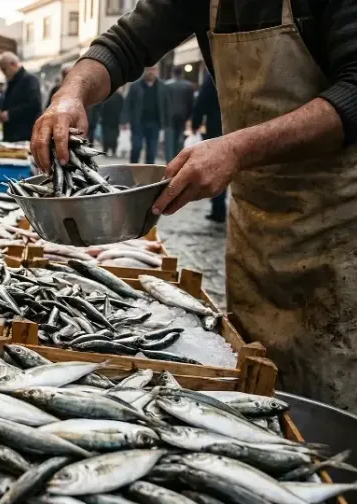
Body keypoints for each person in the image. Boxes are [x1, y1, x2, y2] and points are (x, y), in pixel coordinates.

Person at [31, 0, 357, 409]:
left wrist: (236, 150)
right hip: (257, 223)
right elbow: (125, 44)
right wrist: (69, 94)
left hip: (341, 227)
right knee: (259, 386)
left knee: (335, 393)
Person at [192, 71, 225, 223]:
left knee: (219, 168)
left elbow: (202, 101)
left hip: (217, 127)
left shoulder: (215, 72)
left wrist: (196, 123)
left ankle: (218, 210)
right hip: (242, 128)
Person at [123, 67, 166, 164]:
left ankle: (148, 173)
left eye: (153, 70)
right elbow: (128, 104)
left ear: (157, 71)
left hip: (155, 124)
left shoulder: (162, 87)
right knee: (136, 147)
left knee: (151, 151)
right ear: (144, 71)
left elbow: (166, 105)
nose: (151, 72)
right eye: (149, 69)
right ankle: (133, 168)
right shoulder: (135, 86)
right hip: (138, 123)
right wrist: (124, 120)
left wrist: (166, 122)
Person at [0, 52, 43, 142]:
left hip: (24, 136)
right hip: (11, 136)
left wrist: (10, 114)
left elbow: (35, 105)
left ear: (13, 65)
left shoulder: (30, 80)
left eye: (4, 69)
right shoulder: (12, 82)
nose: (4, 73)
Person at [163, 67, 195, 161]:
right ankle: (179, 160)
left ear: (172, 73)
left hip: (169, 116)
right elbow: (191, 103)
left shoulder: (167, 85)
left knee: (170, 141)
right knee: (180, 139)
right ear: (182, 73)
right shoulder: (188, 86)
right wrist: (189, 116)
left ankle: (169, 161)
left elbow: (163, 102)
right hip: (182, 115)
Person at [100, 91, 124, 156]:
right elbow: (122, 108)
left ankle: (106, 150)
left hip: (106, 120)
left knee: (106, 136)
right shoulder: (119, 97)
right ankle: (113, 151)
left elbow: (101, 108)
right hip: (115, 120)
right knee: (114, 136)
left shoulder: (105, 95)